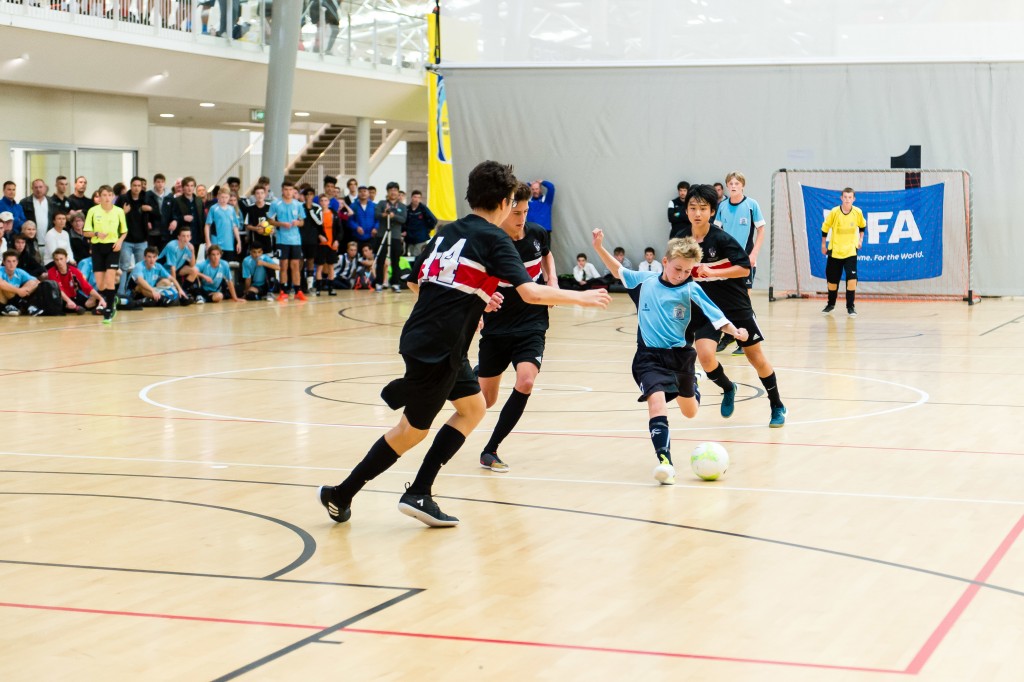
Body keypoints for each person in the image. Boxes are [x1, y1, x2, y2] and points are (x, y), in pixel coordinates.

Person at [317, 161, 611, 528]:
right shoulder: (495, 239)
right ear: (503, 202)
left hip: (430, 340)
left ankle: (415, 483)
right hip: (439, 347)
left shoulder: (447, 231)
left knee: (473, 408)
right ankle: (346, 493)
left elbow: (415, 280)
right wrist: (581, 297)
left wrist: (471, 298)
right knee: (411, 432)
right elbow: (531, 293)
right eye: (514, 205)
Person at [592, 229, 747, 484]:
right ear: (665, 261)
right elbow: (618, 270)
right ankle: (665, 462)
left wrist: (735, 331)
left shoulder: (691, 290)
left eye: (687, 271)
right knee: (656, 403)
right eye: (678, 269)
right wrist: (599, 247)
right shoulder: (645, 281)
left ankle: (693, 383)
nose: (682, 275)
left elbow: (717, 317)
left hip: (681, 358)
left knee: (690, 412)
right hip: (649, 358)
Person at [681, 184, 787, 428]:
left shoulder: (721, 239)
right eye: (693, 208)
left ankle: (777, 405)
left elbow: (745, 268)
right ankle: (729, 387)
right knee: (705, 356)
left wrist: (713, 272)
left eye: (703, 208)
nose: (697, 213)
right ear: (686, 211)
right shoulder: (683, 241)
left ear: (712, 212)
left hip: (736, 306)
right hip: (708, 309)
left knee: (755, 358)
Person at [476, 182, 559, 472]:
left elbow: (546, 254)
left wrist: (552, 280)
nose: (521, 219)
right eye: (516, 213)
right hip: (497, 326)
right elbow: (474, 278)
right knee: (485, 400)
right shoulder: (490, 242)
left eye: (525, 212)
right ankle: (468, 375)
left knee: (525, 381)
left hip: (532, 323)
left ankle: (490, 449)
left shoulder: (536, 233)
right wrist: (481, 303)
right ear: (503, 210)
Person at [713, 171, 766, 354]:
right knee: (726, 300)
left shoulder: (751, 205)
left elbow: (761, 230)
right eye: (731, 183)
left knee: (744, 300)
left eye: (737, 183)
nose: (734, 186)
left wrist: (754, 254)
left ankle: (747, 339)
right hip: (727, 262)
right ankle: (729, 335)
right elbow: (717, 233)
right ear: (727, 186)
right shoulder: (722, 206)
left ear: (743, 185)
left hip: (745, 262)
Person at [83, 185, 128, 323]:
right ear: (99, 196)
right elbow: (85, 232)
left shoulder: (119, 211)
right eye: (104, 195)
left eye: (110, 195)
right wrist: (96, 233)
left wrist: (120, 241)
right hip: (97, 247)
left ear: (113, 196)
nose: (107, 197)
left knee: (110, 278)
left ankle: (109, 309)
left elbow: (124, 231)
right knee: (101, 285)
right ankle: (113, 298)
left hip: (113, 247)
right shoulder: (93, 211)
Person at [821, 187, 866, 317]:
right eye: (845, 197)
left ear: (853, 199)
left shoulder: (857, 212)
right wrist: (823, 244)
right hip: (835, 251)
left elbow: (862, 226)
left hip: (850, 251)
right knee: (832, 281)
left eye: (850, 197)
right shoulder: (834, 212)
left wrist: (860, 240)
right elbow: (825, 228)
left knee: (852, 280)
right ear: (841, 198)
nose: (847, 200)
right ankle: (831, 304)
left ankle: (850, 307)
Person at [267, 181, 307, 301]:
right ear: (282, 190)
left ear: (294, 191)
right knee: (283, 265)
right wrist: (281, 224)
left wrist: (297, 222)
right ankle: (283, 291)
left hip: (295, 240)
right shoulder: (276, 204)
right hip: (282, 239)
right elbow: (269, 220)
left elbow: (302, 222)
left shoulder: (298, 204)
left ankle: (298, 291)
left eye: (291, 190)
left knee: (295, 265)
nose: (288, 192)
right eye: (286, 189)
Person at [117, 176, 160, 275]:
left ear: (141, 187)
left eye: (139, 186)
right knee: (124, 266)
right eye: (134, 185)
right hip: (126, 239)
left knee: (140, 266)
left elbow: (158, 215)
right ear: (131, 186)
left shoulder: (147, 198)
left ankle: (138, 285)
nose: (136, 188)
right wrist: (123, 212)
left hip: (142, 239)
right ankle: (123, 285)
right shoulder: (123, 198)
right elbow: (114, 216)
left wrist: (150, 209)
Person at [46, 248, 103, 314]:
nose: (59, 262)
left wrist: (100, 298)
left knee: (91, 303)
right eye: (56, 260)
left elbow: (86, 286)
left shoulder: (74, 270)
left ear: (66, 258)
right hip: (61, 299)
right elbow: (59, 290)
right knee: (66, 306)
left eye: (61, 259)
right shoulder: (51, 272)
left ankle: (101, 305)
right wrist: (68, 301)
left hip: (74, 297)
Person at [373, 181, 407, 292]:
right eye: (391, 190)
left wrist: (394, 216)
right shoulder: (382, 203)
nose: (393, 192)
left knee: (395, 260)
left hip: (395, 236)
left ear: (398, 192)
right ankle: (379, 282)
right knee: (381, 260)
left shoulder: (402, 206)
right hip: (382, 235)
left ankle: (395, 283)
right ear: (387, 192)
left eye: (395, 190)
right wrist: (384, 214)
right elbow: (376, 215)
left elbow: (403, 219)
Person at [205, 187, 243, 262]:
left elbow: (235, 226)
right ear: (218, 196)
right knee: (215, 263)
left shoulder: (231, 209)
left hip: (229, 243)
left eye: (226, 197)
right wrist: (208, 242)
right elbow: (207, 225)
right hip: (216, 242)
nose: (224, 199)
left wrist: (239, 241)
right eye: (222, 197)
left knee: (227, 264)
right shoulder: (213, 208)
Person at [0, 250, 42, 316]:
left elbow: (36, 281)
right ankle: (25, 305)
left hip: (14, 298)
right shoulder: (0, 270)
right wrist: (18, 291)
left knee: (32, 282)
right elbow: (1, 284)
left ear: (17, 262)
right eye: (8, 261)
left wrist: (23, 290)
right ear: (4, 262)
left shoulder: (19, 272)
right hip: (2, 301)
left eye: (14, 261)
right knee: (4, 285)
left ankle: (18, 305)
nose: (11, 264)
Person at [159, 227, 199, 297]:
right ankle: (177, 292)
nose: (186, 238)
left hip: (176, 269)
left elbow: (192, 265)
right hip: (162, 271)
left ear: (190, 238)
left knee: (195, 270)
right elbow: (172, 269)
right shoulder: (172, 246)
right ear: (179, 237)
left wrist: (193, 251)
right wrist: (176, 288)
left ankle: (184, 291)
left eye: (188, 236)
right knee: (168, 283)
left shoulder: (189, 247)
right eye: (183, 236)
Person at [314, 194, 339, 295]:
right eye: (322, 201)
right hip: (321, 243)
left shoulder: (334, 214)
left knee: (331, 265)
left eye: (326, 200)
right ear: (319, 202)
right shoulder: (317, 213)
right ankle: (318, 288)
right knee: (320, 266)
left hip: (331, 243)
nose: (324, 202)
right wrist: (319, 235)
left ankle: (331, 287)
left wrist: (337, 240)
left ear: (329, 202)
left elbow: (339, 228)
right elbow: (315, 228)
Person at [300, 187, 322, 294]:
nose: (309, 197)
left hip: (312, 238)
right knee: (299, 261)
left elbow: (319, 222)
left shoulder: (317, 207)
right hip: (300, 238)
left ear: (313, 196)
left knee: (310, 261)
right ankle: (300, 284)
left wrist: (310, 210)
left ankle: (310, 285)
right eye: (306, 194)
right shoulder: (300, 206)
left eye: (311, 194)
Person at [403, 190, 437, 257]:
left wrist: (427, 229)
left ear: (420, 199)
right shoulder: (407, 209)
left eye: (418, 197)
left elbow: (434, 220)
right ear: (411, 198)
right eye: (415, 197)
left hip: (420, 238)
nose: (416, 199)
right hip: (409, 238)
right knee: (410, 258)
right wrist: (404, 230)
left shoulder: (423, 209)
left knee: (418, 257)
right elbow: (404, 221)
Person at [349, 185, 377, 251]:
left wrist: (376, 228)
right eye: (360, 191)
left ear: (368, 193)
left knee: (370, 254)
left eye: (365, 191)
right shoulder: (353, 206)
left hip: (371, 236)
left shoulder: (374, 206)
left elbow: (378, 220)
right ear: (358, 193)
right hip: (357, 236)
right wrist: (356, 227)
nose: (363, 193)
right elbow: (350, 220)